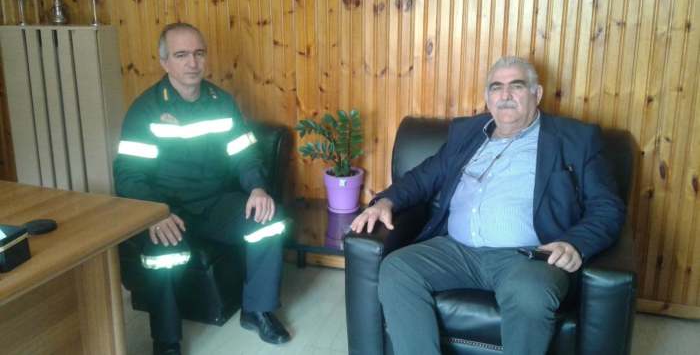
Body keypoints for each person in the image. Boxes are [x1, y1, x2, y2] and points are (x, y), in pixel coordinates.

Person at [350, 56, 625, 355]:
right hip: (457, 250)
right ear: (487, 97)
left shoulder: (575, 140)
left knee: (529, 294)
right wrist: (385, 201)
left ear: (537, 94)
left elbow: (607, 207)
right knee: (397, 269)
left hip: (527, 258)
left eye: (516, 86)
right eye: (496, 87)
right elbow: (423, 177)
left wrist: (575, 244)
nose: (505, 95)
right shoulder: (467, 133)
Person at [114, 23, 291, 355]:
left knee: (270, 220)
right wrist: (155, 212)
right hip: (167, 209)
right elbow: (128, 175)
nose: (192, 63)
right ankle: (166, 340)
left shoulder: (221, 102)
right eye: (181, 55)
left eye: (198, 53)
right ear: (165, 62)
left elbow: (244, 154)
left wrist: (257, 188)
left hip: (214, 203)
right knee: (162, 254)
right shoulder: (145, 109)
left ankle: (258, 310)